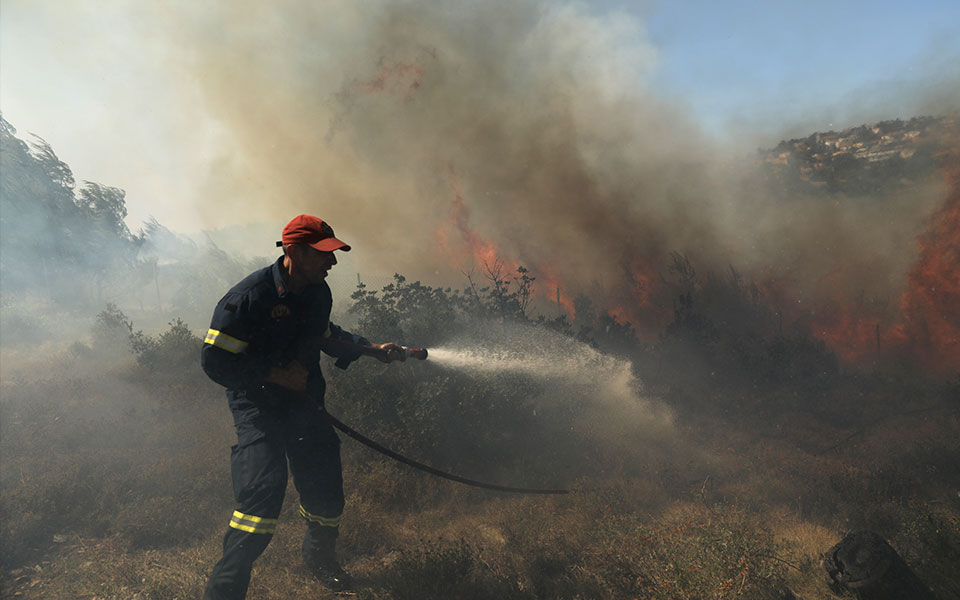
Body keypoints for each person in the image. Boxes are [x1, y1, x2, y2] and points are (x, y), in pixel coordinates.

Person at [201, 214, 405, 598]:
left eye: (334, 253)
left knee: (326, 490)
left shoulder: (317, 292)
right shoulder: (247, 299)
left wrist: (368, 348)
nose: (333, 263)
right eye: (324, 254)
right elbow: (215, 362)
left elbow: (323, 335)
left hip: (305, 402)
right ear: (293, 251)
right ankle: (225, 592)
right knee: (261, 494)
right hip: (258, 406)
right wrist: (276, 375)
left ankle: (320, 559)